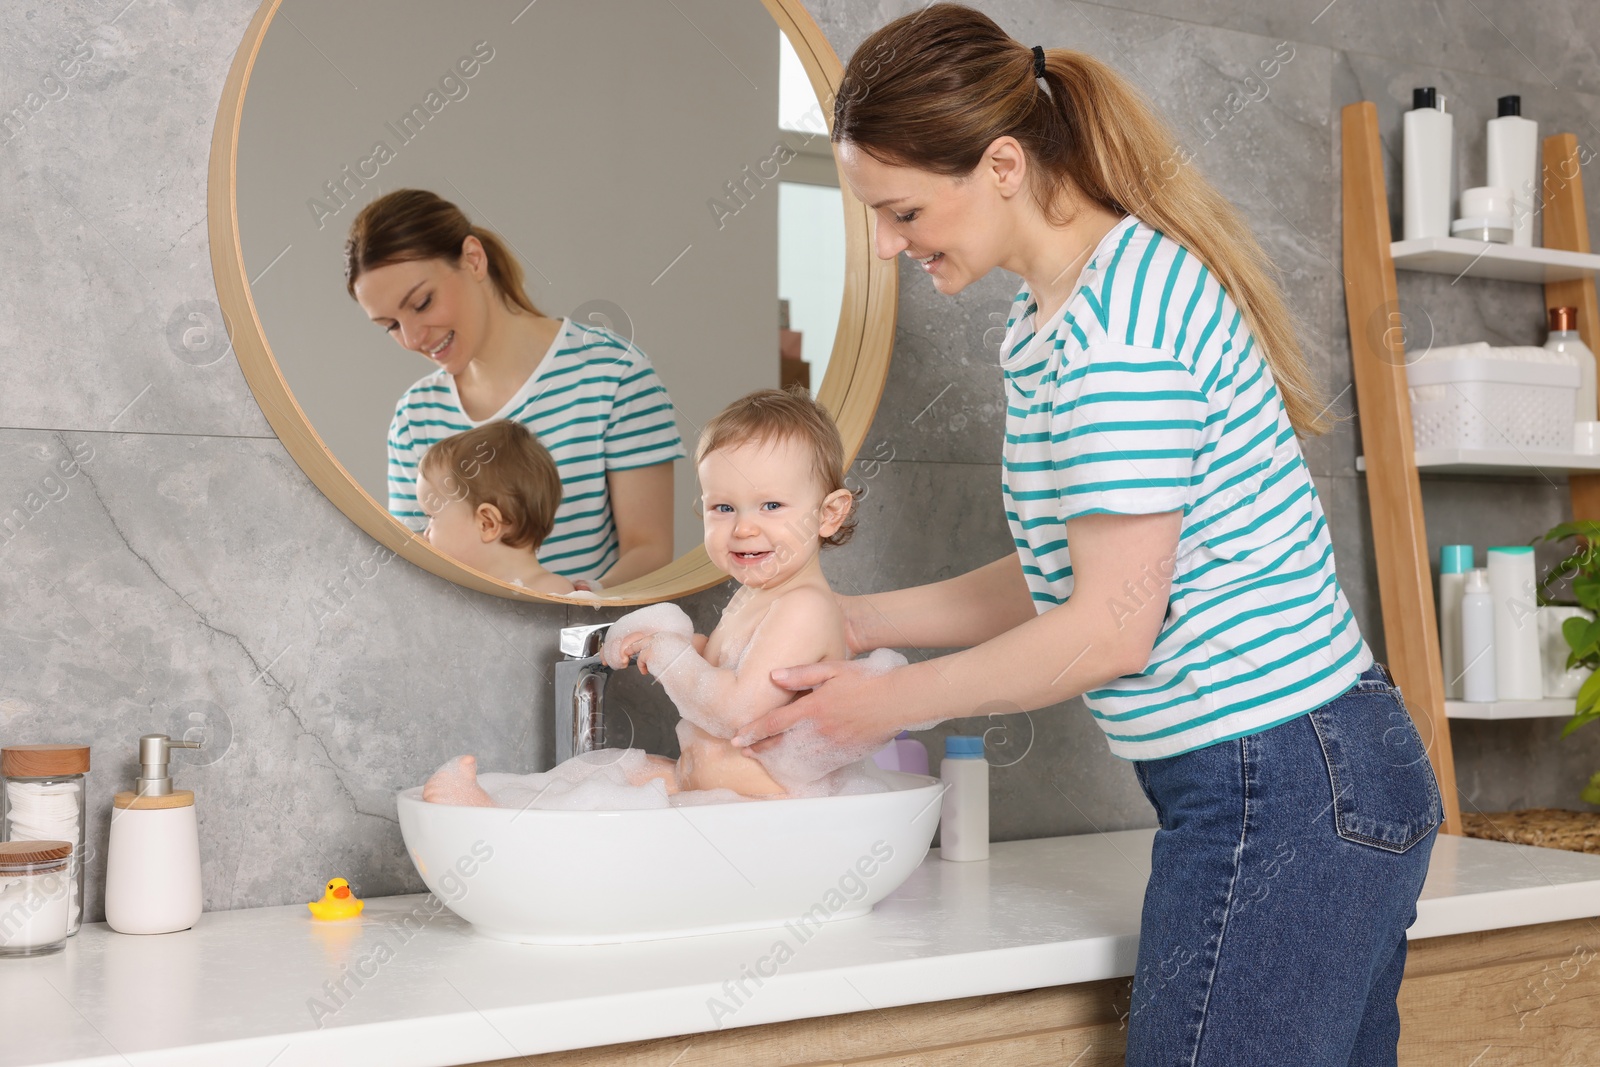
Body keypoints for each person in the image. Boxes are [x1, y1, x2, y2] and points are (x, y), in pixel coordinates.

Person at [728, 7, 1442, 1065]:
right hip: (1308, 774)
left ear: (1003, 164)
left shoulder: (1114, 341)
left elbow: (1110, 629)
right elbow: (1072, 572)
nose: (887, 243)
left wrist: (873, 704)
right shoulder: (1060, 314)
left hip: (1281, 784)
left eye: (902, 209)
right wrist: (851, 613)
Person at [423, 387, 863, 806]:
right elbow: (730, 670)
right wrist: (679, 644)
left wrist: (673, 657)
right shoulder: (756, 598)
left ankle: (498, 820)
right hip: (713, 793)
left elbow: (738, 710)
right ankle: (498, 807)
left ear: (829, 514)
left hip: (769, 809)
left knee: (601, 793)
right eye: (724, 508)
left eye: (770, 506)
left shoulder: (803, 607)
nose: (744, 527)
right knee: (595, 774)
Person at [345, 189, 684, 588]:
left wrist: (570, 610)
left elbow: (649, 550)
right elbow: (417, 572)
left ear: (473, 259)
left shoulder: (613, 371)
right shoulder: (415, 416)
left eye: (421, 303)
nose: (413, 337)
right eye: (390, 326)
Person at [415, 420, 572, 595]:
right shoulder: (457, 591)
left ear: (487, 524)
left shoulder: (552, 593)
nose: (425, 534)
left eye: (432, 517)